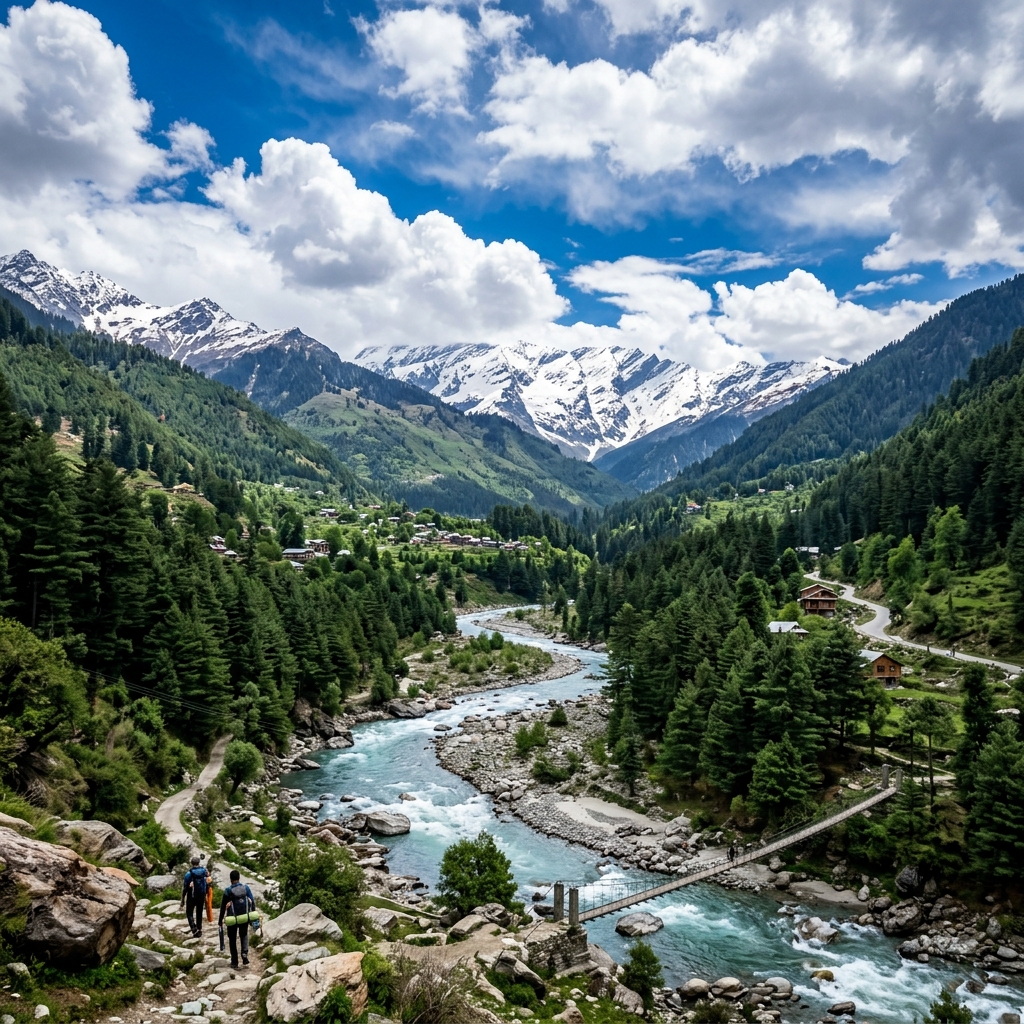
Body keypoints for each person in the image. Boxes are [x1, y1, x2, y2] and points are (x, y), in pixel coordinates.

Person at [219, 869, 257, 969]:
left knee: (232, 939)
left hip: (232, 918)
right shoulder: (246, 888)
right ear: (239, 878)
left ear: (231, 879)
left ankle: (234, 961)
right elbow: (252, 901)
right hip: (244, 916)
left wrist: (220, 921)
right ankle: (244, 954)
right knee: (244, 935)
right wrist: (251, 916)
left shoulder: (228, 890)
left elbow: (223, 907)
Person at [180, 855, 209, 938]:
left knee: (189, 913)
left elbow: (185, 887)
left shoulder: (189, 874)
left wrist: (182, 899)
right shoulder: (204, 872)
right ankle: (199, 929)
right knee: (199, 912)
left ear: (191, 863)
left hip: (191, 896)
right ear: (199, 863)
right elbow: (208, 882)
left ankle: (194, 929)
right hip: (202, 895)